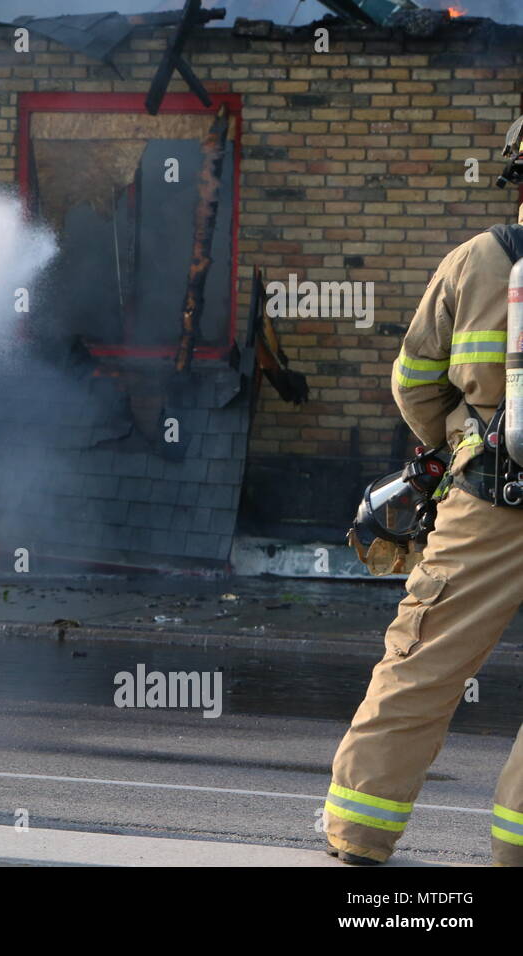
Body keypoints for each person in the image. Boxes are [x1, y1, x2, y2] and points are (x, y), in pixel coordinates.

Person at [323, 120, 523, 865]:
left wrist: (455, 442)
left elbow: (413, 379)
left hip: (487, 499)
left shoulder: (478, 260)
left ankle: (358, 835)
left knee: (422, 661)